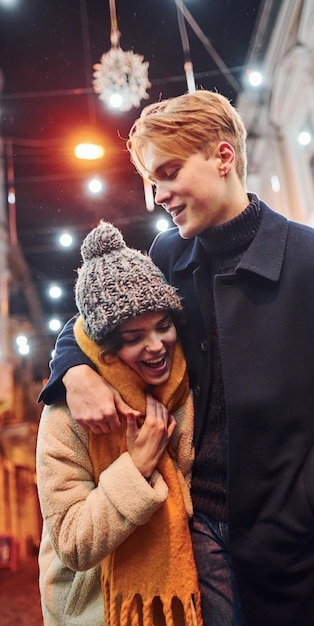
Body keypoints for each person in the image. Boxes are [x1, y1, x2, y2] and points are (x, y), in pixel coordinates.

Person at [39, 90, 314, 626]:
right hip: (193, 542)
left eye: (168, 173)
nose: (158, 196)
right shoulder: (168, 255)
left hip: (294, 551)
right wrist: (72, 370)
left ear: (222, 156)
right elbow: (95, 320)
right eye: (151, 182)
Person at [37, 221, 203, 626]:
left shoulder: (184, 387)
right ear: (105, 345)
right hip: (99, 611)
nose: (155, 345)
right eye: (133, 336)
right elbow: (73, 543)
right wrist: (136, 468)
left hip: (185, 602)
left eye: (163, 326)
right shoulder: (65, 416)